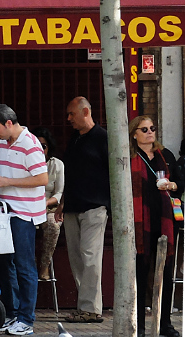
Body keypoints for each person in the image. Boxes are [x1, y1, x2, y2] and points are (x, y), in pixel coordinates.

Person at [0, 104, 47, 336]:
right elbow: (1, 175)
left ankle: (26, 318)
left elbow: (42, 178)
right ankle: (13, 313)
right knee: (5, 263)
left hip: (24, 213)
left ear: (8, 123)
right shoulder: (4, 143)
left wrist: (9, 182)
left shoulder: (31, 144)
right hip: (4, 211)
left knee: (25, 265)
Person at [53, 97, 110, 324]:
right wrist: (63, 202)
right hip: (73, 206)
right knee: (76, 258)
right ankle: (85, 306)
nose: (68, 119)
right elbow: (72, 174)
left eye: (71, 114)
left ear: (85, 111)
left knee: (90, 256)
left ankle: (92, 308)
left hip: (95, 207)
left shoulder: (103, 138)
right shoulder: (75, 139)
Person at [128, 116, 182, 337]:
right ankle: (139, 324)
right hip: (141, 221)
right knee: (140, 272)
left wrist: (173, 184)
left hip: (164, 219)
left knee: (166, 272)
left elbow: (180, 181)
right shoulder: (129, 157)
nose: (150, 132)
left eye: (152, 128)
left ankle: (165, 323)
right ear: (134, 134)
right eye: (144, 129)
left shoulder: (165, 155)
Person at [31, 128, 63, 282]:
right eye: (36, 146)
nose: (40, 149)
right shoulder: (26, 163)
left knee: (53, 225)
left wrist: (45, 202)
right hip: (28, 208)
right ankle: (30, 266)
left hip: (48, 208)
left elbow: (59, 193)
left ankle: (44, 265)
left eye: (43, 146)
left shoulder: (57, 165)